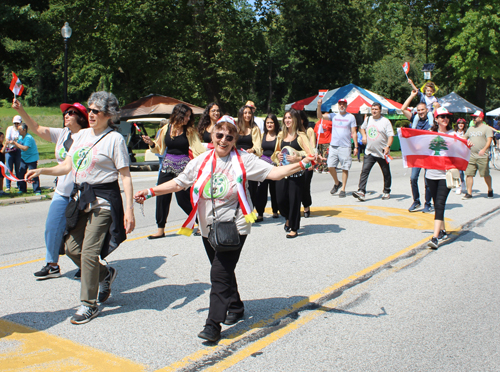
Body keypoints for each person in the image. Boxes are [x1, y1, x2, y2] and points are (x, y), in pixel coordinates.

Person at [134, 115, 316, 342]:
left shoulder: (243, 159)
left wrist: (302, 163)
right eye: (219, 135)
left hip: (235, 225)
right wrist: (151, 191)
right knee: (223, 271)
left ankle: (213, 325)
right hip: (208, 225)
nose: (223, 140)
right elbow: (179, 182)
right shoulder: (200, 161)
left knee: (218, 273)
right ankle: (236, 306)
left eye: (229, 137)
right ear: (212, 135)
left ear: (234, 140)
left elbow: (275, 173)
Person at [26, 91, 135, 324]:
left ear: (108, 114)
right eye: (90, 109)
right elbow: (67, 166)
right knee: (72, 248)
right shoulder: (82, 135)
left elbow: (125, 177)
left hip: (104, 201)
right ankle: (105, 274)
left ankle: (88, 304)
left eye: (96, 110)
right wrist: (41, 171)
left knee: (88, 251)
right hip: (81, 200)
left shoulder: (114, 139)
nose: (91, 114)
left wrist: (129, 211)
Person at [12, 99, 89, 279]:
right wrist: (21, 110)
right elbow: (38, 128)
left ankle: (86, 264)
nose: (66, 115)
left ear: (81, 118)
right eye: (65, 113)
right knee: (52, 227)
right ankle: (52, 265)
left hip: (82, 192)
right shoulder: (62, 134)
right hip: (62, 191)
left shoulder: (87, 136)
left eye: (71, 113)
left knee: (80, 232)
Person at [142, 103, 206, 239]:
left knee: (184, 200)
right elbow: (159, 148)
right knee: (161, 196)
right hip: (167, 166)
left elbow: (198, 149)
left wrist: (204, 164)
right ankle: (160, 229)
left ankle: (201, 223)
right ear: (178, 115)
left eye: (190, 116)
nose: (188, 119)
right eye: (186, 116)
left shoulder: (189, 131)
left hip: (183, 167)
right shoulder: (166, 128)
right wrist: (151, 143)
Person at [272, 109, 314, 238]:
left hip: (296, 174)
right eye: (285, 118)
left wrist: (298, 158)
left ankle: (294, 228)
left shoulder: (301, 136)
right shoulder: (281, 135)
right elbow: (275, 153)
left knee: (295, 201)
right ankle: (288, 217)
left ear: (295, 119)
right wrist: (277, 156)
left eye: (289, 117)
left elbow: (310, 155)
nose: (287, 120)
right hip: (283, 173)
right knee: (280, 200)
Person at [425, 108, 456, 249]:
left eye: (447, 117)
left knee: (439, 204)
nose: (445, 119)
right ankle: (442, 230)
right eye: (442, 116)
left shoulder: (453, 134)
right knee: (436, 202)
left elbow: (462, 147)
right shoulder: (430, 134)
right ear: (436, 119)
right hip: (431, 174)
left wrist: (468, 145)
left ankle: (435, 237)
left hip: (445, 174)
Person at [352, 103, 394, 201]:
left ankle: (386, 191)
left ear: (380, 111)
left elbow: (391, 136)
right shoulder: (368, 119)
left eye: (376, 109)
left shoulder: (385, 121)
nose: (374, 111)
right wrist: (364, 135)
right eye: (372, 109)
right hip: (370, 151)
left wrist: (388, 146)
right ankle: (361, 191)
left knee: (386, 172)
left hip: (381, 152)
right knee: (364, 171)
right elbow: (362, 128)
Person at [317, 98, 358, 198]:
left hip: (345, 146)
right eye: (340, 104)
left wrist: (356, 146)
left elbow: (353, 132)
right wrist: (319, 106)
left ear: (346, 105)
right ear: (338, 105)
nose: (342, 106)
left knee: (345, 168)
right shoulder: (333, 115)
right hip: (334, 146)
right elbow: (320, 117)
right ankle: (337, 182)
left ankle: (343, 188)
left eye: (344, 104)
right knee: (330, 166)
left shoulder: (351, 117)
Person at [401, 89, 434, 213]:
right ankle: (416, 201)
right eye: (419, 110)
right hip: (417, 155)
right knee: (413, 178)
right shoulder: (414, 118)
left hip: (428, 155)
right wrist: (412, 95)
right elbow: (403, 108)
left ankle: (428, 203)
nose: (421, 112)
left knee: (427, 180)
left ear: (427, 110)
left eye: (423, 110)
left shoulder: (431, 119)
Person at [254, 114, 280, 221]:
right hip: (263, 166)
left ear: (275, 124)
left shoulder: (279, 135)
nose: (269, 125)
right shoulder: (262, 135)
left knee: (274, 190)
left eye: (271, 122)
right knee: (261, 190)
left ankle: (275, 211)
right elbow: (258, 149)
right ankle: (260, 213)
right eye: (268, 122)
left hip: (274, 165)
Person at [463, 110, 494, 199]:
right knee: (469, 174)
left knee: (485, 174)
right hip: (471, 155)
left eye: (475, 117)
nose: (473, 119)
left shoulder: (486, 128)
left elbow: (489, 140)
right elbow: (464, 138)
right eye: (473, 117)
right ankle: (469, 193)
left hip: (482, 156)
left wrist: (484, 150)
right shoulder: (471, 128)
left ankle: (490, 189)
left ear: (480, 118)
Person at [236, 105, 262, 207]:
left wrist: (253, 150)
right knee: (238, 187)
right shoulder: (236, 127)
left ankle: (249, 210)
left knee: (251, 188)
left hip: (250, 160)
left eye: (249, 113)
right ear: (241, 114)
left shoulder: (255, 129)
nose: (247, 115)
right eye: (245, 112)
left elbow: (258, 147)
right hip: (237, 160)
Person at [11, 123, 41, 195]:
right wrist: (11, 146)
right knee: (21, 172)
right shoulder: (20, 138)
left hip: (32, 158)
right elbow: (18, 146)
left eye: (20, 129)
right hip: (23, 158)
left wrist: (15, 143)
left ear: (24, 130)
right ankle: (22, 189)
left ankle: (37, 190)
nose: (18, 131)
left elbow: (25, 148)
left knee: (33, 174)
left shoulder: (28, 138)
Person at [299, 110, 316, 217]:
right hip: (295, 162)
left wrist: (312, 163)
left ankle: (306, 206)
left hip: (307, 161)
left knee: (305, 185)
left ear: (303, 119)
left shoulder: (309, 130)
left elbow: (312, 147)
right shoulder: (292, 131)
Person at [4, 116, 22, 192]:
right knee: (9, 168)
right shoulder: (10, 129)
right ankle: (8, 185)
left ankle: (19, 185)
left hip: (17, 150)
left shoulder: (21, 130)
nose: (16, 125)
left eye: (18, 123)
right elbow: (7, 138)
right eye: (15, 123)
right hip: (10, 150)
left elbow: (21, 140)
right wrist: (10, 142)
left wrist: (15, 143)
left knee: (18, 168)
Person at [454, 118, 468, 195]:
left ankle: (463, 182)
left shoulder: (466, 133)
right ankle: (458, 186)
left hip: (463, 153)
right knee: (457, 171)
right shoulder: (454, 132)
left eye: (462, 123)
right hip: (455, 153)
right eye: (459, 123)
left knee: (461, 171)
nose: (461, 124)